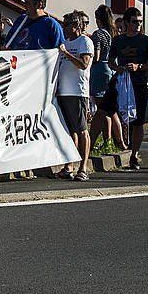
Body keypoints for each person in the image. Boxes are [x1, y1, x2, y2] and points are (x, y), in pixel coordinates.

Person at [93, 7, 148, 170]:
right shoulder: (118, 40)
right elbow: (110, 61)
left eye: (140, 22)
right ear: (127, 22)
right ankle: (87, 148)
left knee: (138, 121)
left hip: (138, 83)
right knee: (102, 111)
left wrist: (139, 66)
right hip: (119, 82)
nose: (138, 25)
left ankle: (134, 155)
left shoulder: (146, 40)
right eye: (135, 22)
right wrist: (117, 68)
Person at [54, 13, 94, 181]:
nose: (65, 28)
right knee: (70, 131)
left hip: (78, 92)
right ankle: (69, 165)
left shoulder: (84, 42)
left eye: (68, 25)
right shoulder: (65, 42)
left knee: (82, 129)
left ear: (77, 26)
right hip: (63, 91)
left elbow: (83, 64)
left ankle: (83, 167)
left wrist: (67, 54)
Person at [90, 5, 121, 146]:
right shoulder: (113, 33)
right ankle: (110, 141)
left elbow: (96, 56)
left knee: (102, 108)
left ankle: (106, 140)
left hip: (99, 71)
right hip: (111, 70)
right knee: (109, 109)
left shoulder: (98, 34)